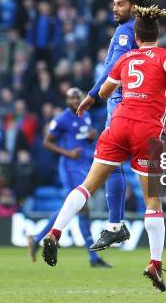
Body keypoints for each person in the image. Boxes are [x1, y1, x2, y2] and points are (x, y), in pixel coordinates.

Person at [42, 5, 166, 292]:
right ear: (158, 34)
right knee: (153, 202)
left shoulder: (126, 57)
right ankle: (154, 263)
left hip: (118, 124)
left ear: (136, 37)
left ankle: (55, 232)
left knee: (88, 186)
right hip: (147, 133)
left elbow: (103, 92)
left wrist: (98, 95)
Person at [78, 0, 161, 251]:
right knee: (115, 165)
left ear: (134, 7)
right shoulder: (129, 29)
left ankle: (116, 224)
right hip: (124, 104)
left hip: (119, 103)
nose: (114, 8)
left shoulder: (126, 31)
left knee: (112, 162)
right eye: (113, 4)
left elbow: (114, 68)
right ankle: (117, 224)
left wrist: (91, 95)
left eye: (120, 4)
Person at [27, 88, 111, 268]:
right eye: (71, 98)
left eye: (77, 97)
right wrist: (67, 153)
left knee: (75, 208)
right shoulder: (61, 119)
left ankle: (37, 238)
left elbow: (82, 138)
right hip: (69, 167)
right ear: (66, 101)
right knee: (80, 207)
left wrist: (91, 137)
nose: (74, 100)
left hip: (82, 165)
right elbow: (46, 141)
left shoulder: (85, 114)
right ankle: (93, 257)